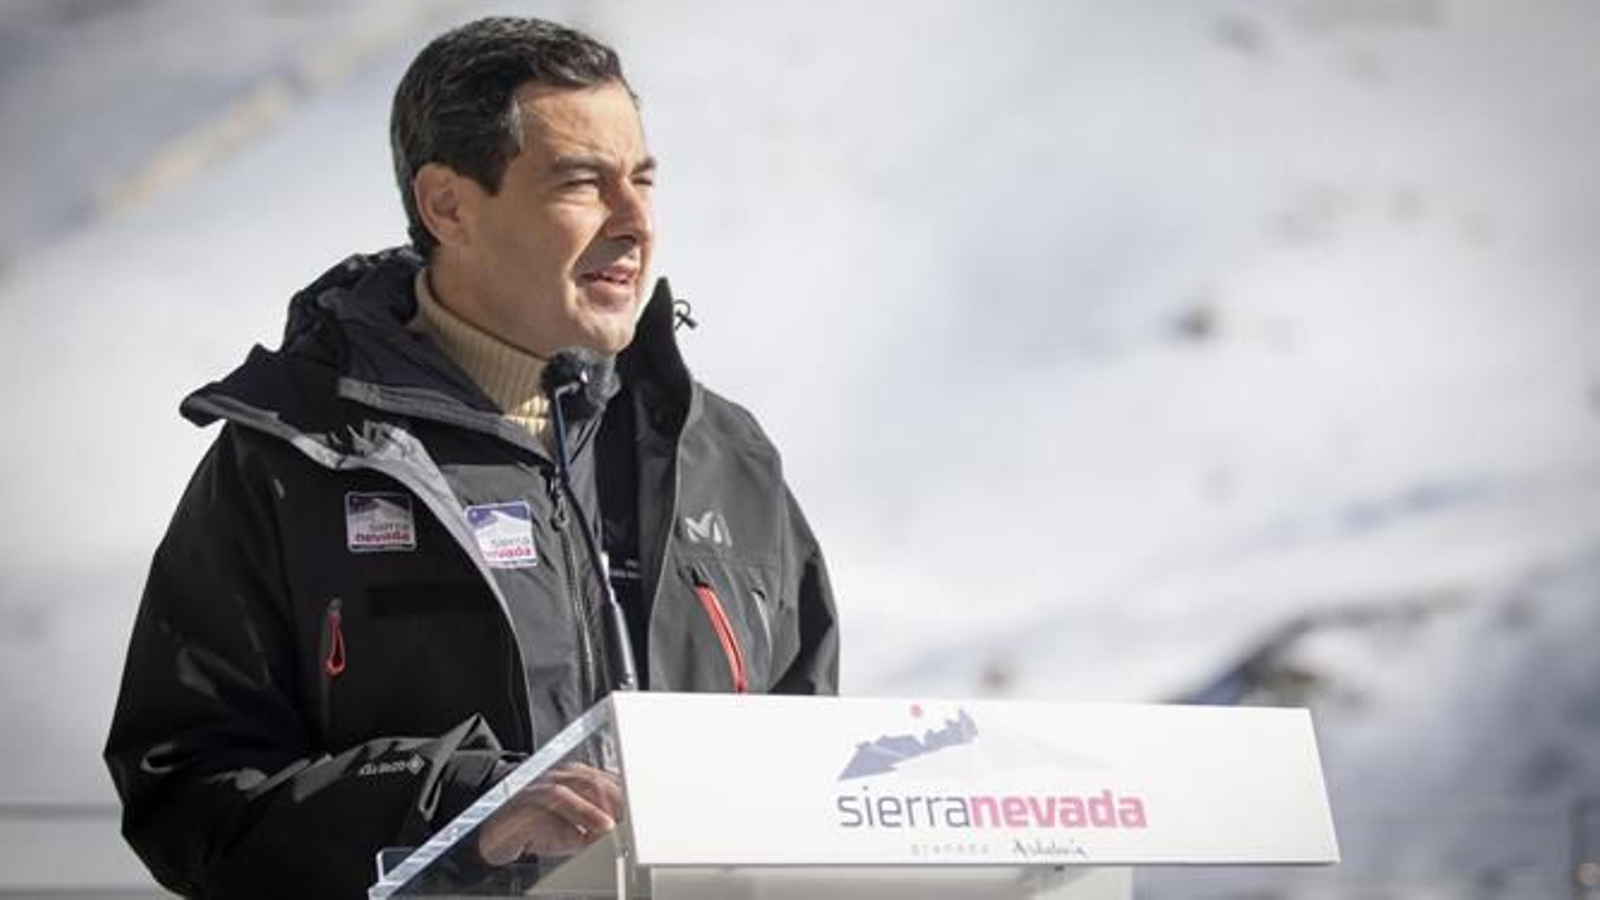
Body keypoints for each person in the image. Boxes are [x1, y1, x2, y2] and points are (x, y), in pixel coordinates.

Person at [104, 16, 838, 898]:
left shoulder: (723, 454)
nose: (636, 220)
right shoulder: (297, 459)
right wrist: (458, 814)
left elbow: (816, 774)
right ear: (447, 206)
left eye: (643, 179)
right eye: (582, 183)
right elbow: (185, 795)